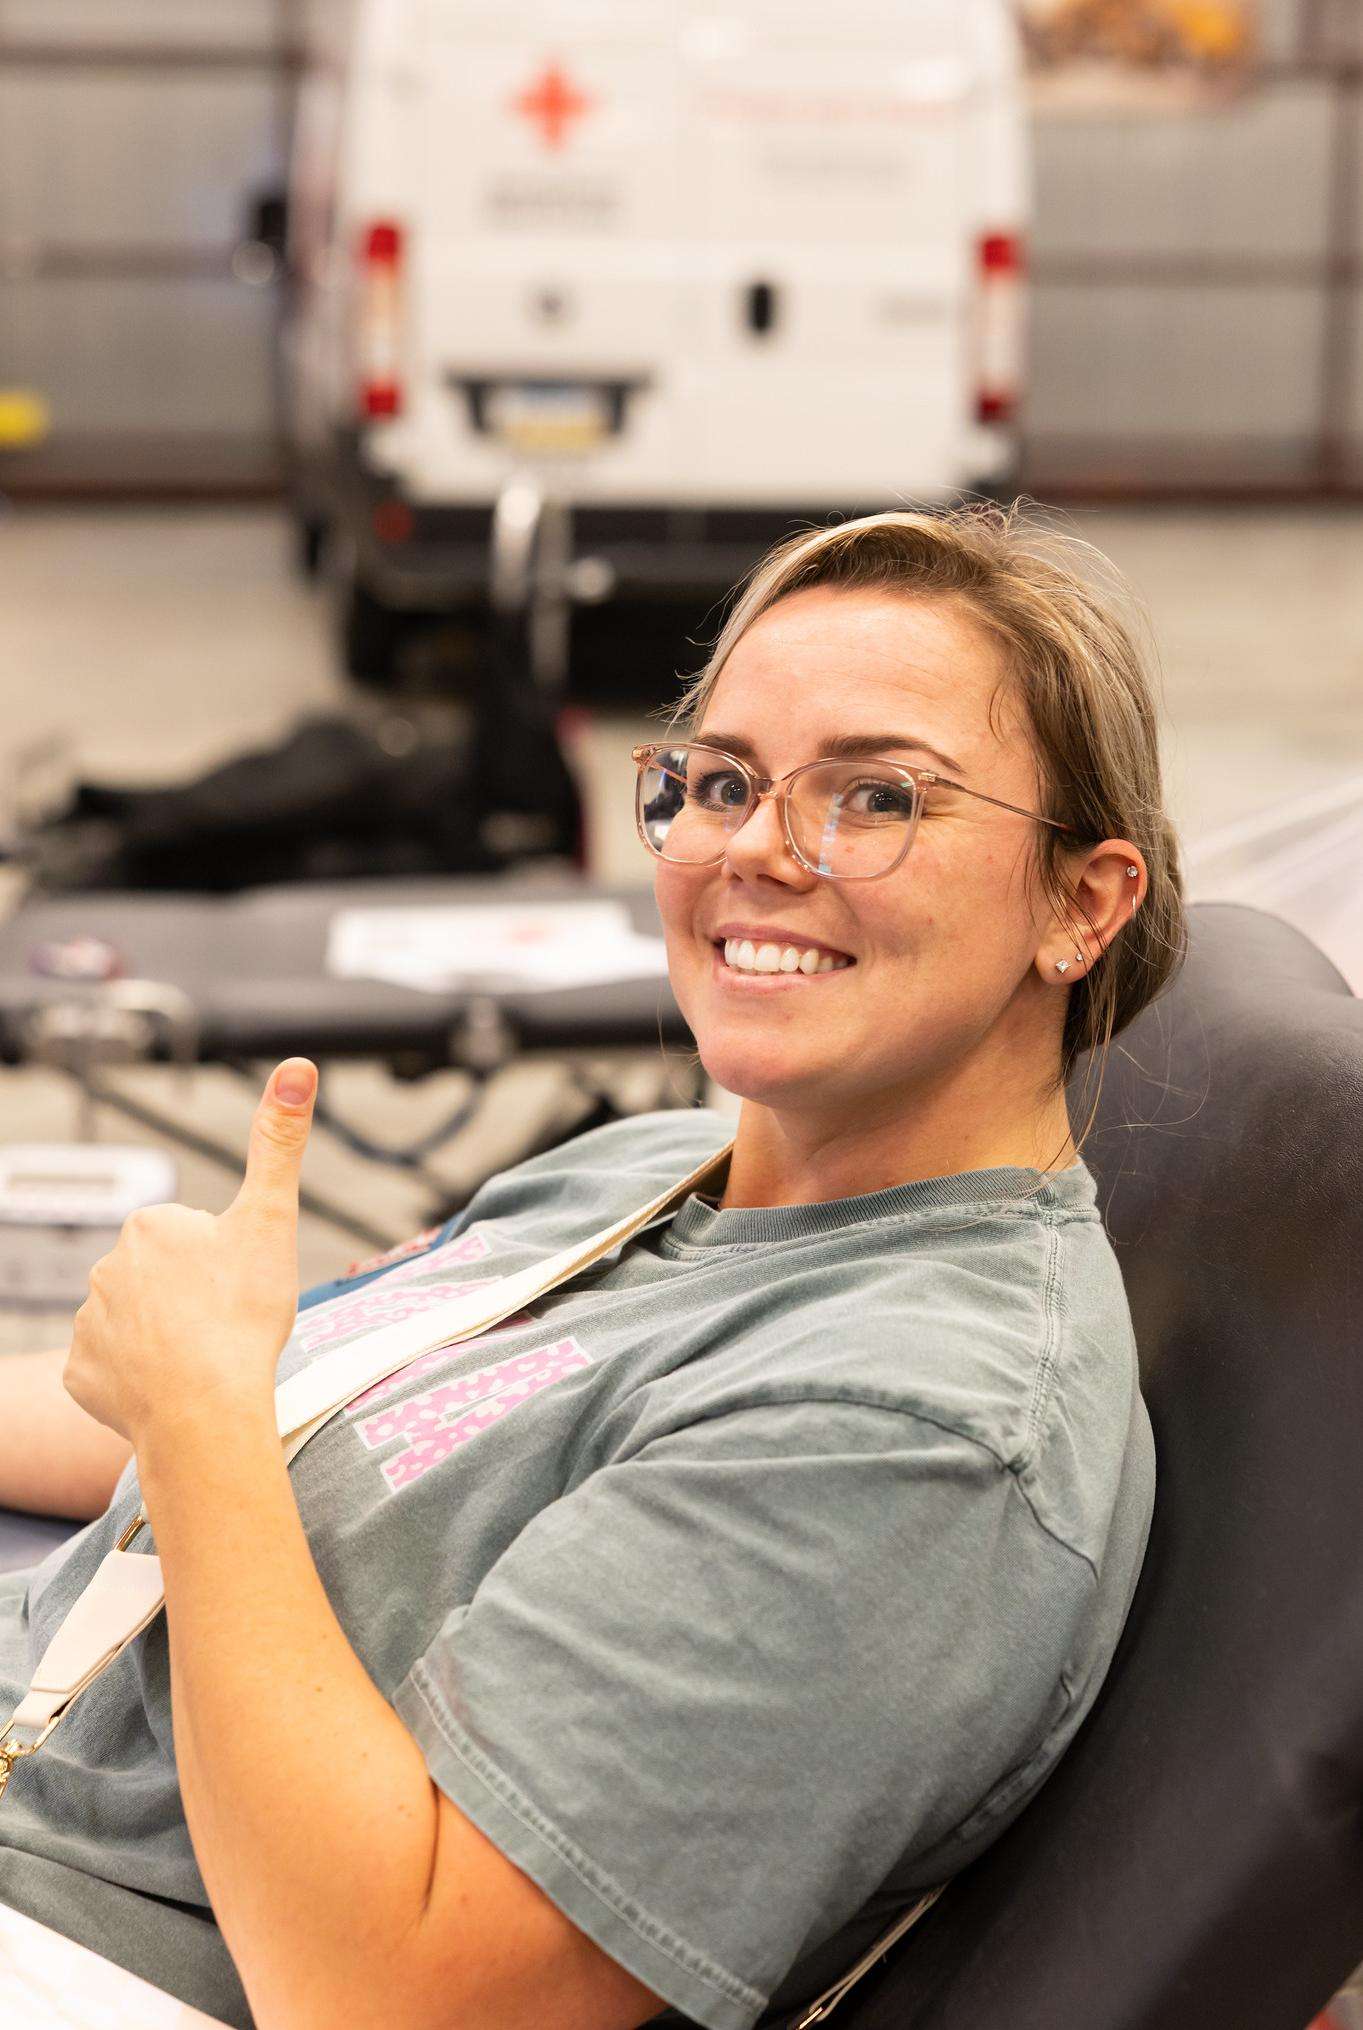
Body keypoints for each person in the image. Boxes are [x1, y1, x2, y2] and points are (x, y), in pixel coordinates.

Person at [0, 502, 1186, 2030]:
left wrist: (203, 1421)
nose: (756, 847)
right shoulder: (661, 1173)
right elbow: (269, 1398)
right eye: (722, 779)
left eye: (875, 794)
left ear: (1081, 904)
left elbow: (395, 1996)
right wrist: (196, 1397)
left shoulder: (912, 1433)